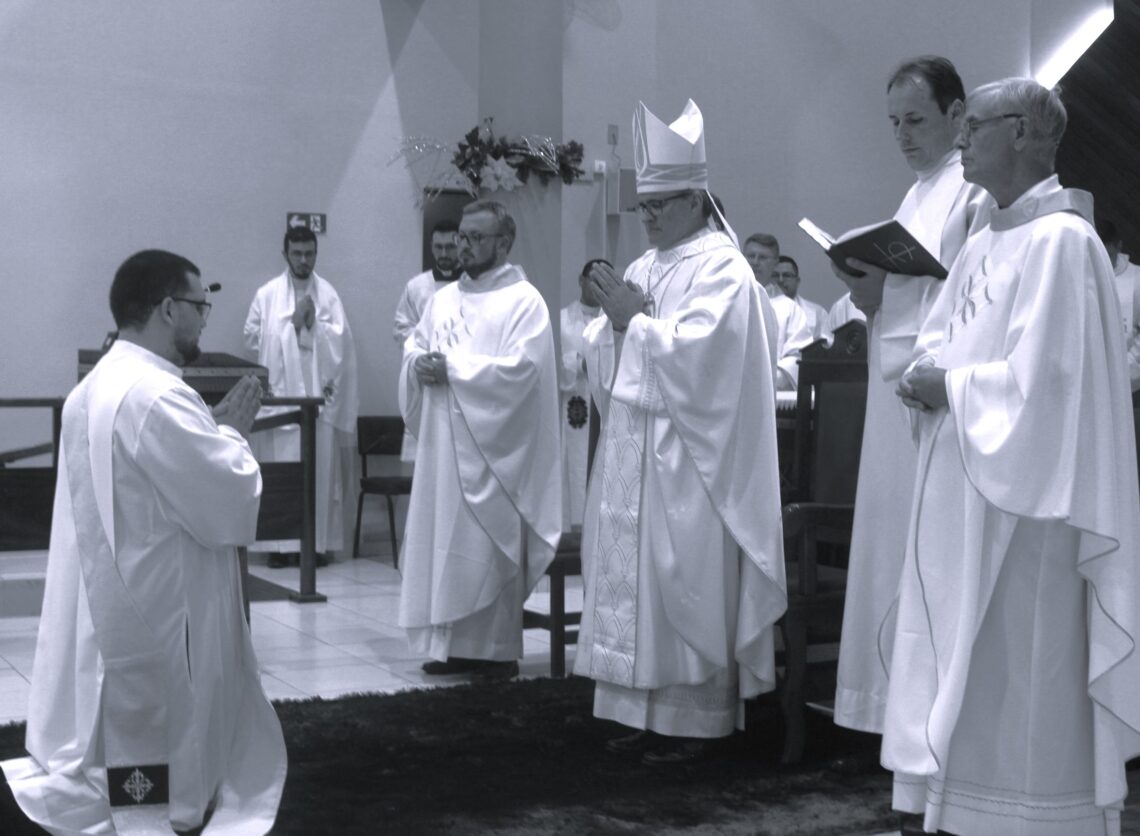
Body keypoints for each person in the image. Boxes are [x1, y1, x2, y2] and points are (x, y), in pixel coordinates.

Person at [884, 78, 1140, 835]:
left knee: (1022, 665)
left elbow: (1049, 392)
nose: (961, 138)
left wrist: (948, 387)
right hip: (964, 490)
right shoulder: (984, 240)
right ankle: (960, 808)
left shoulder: (1064, 243)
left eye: (975, 125)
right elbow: (938, 340)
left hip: (1029, 511)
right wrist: (924, 376)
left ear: (1023, 132)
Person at [1, 250, 287, 834]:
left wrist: (210, 431)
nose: (203, 319)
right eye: (200, 306)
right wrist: (231, 434)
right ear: (168, 309)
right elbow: (225, 498)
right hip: (160, 599)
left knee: (111, 708)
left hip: (112, 595)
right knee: (163, 722)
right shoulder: (157, 395)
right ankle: (164, 802)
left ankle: (112, 786)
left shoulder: (92, 387)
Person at [573, 99, 785, 765]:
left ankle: (695, 720)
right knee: (634, 583)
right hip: (633, 455)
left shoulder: (724, 268)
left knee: (683, 583)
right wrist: (613, 328)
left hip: (692, 466)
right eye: (643, 206)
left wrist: (634, 324)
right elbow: (608, 346)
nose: (649, 217)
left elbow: (709, 364)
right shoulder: (644, 267)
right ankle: (638, 710)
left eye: (660, 205)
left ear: (695, 200)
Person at [833, 56, 990, 738]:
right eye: (894, 122)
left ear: (958, 115)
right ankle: (886, 706)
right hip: (893, 401)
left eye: (916, 120)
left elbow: (973, 297)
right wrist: (872, 295)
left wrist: (887, 294)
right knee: (891, 544)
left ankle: (924, 713)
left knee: (927, 553)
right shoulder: (916, 195)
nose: (902, 136)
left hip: (938, 400)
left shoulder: (973, 191)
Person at [398, 199, 562, 680]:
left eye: (476, 238)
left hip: (494, 457)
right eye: (462, 237)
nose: (463, 247)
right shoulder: (443, 299)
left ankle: (495, 652)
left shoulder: (525, 302)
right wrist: (417, 364)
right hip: (442, 453)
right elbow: (415, 345)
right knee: (442, 545)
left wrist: (454, 369)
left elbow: (524, 372)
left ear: (504, 242)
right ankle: (451, 647)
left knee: (485, 545)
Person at [244, 225, 359, 568]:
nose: (304, 260)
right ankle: (280, 547)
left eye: (309, 253)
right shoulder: (267, 295)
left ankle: (314, 545)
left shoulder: (329, 296)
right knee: (280, 473)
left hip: (316, 404)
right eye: (297, 253)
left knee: (318, 476)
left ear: (316, 254)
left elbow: (342, 344)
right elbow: (251, 339)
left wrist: (313, 327)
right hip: (280, 404)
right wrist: (290, 325)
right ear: (285, 254)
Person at [393, 219, 462, 460]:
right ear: (431, 247)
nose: (444, 254)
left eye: (450, 247)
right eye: (438, 247)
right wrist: (424, 351)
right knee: (428, 457)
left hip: (459, 375)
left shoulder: (471, 286)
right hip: (427, 377)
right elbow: (401, 327)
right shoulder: (417, 287)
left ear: (460, 245)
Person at [559, 258, 606, 529]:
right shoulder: (563, 319)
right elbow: (556, 359)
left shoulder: (612, 320)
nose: (598, 287)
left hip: (604, 402)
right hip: (576, 402)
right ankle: (576, 526)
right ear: (581, 281)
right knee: (575, 463)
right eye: (593, 281)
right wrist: (579, 364)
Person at [743, 233, 814, 390]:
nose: (755, 262)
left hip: (771, 391)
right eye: (751, 256)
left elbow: (797, 356)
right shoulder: (726, 300)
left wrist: (765, 382)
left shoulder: (789, 309)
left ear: (775, 263)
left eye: (762, 257)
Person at [1096, 215, 1140, 390]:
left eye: (1108, 255)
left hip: (1127, 378)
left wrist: (1127, 364)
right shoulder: (1080, 274)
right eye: (1097, 255)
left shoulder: (1136, 278)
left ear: (1118, 246)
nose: (1102, 261)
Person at [773, 255, 828, 340]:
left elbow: (826, 344)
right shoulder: (759, 309)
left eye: (786, 275)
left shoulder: (817, 313)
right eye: (775, 275)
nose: (780, 280)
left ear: (797, 281)